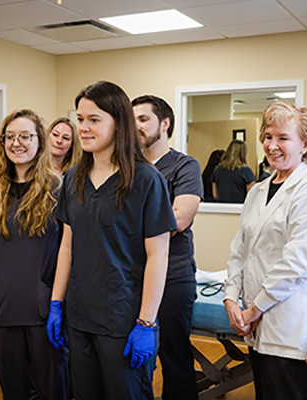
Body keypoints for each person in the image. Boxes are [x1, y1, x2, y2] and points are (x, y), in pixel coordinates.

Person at [47, 81, 176, 400]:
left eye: (94, 119)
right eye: (80, 119)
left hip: (124, 319)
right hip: (79, 317)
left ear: (118, 122)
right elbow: (67, 245)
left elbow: (158, 256)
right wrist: (56, 303)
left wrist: (146, 323)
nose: (84, 128)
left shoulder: (146, 180)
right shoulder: (73, 178)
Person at [223, 101, 307, 400]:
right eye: (268, 136)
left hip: (285, 319)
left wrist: (253, 309)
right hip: (252, 320)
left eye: (283, 138)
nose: (272, 145)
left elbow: (296, 263)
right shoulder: (258, 190)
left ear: (305, 145)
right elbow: (240, 251)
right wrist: (230, 299)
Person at [0, 109, 69, 399]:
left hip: (43, 309)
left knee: (52, 388)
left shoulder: (57, 189)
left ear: (40, 141)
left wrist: (57, 301)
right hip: (1, 307)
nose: (17, 143)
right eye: (10, 137)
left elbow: (68, 248)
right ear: (2, 143)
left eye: (25, 136)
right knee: (12, 389)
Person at [133, 94, 203, 399]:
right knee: (132, 361)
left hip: (173, 277)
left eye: (143, 119)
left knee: (175, 359)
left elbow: (179, 219)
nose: (136, 126)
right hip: (133, 276)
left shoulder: (184, 166)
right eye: (131, 119)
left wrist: (125, 229)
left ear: (165, 124)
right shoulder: (128, 168)